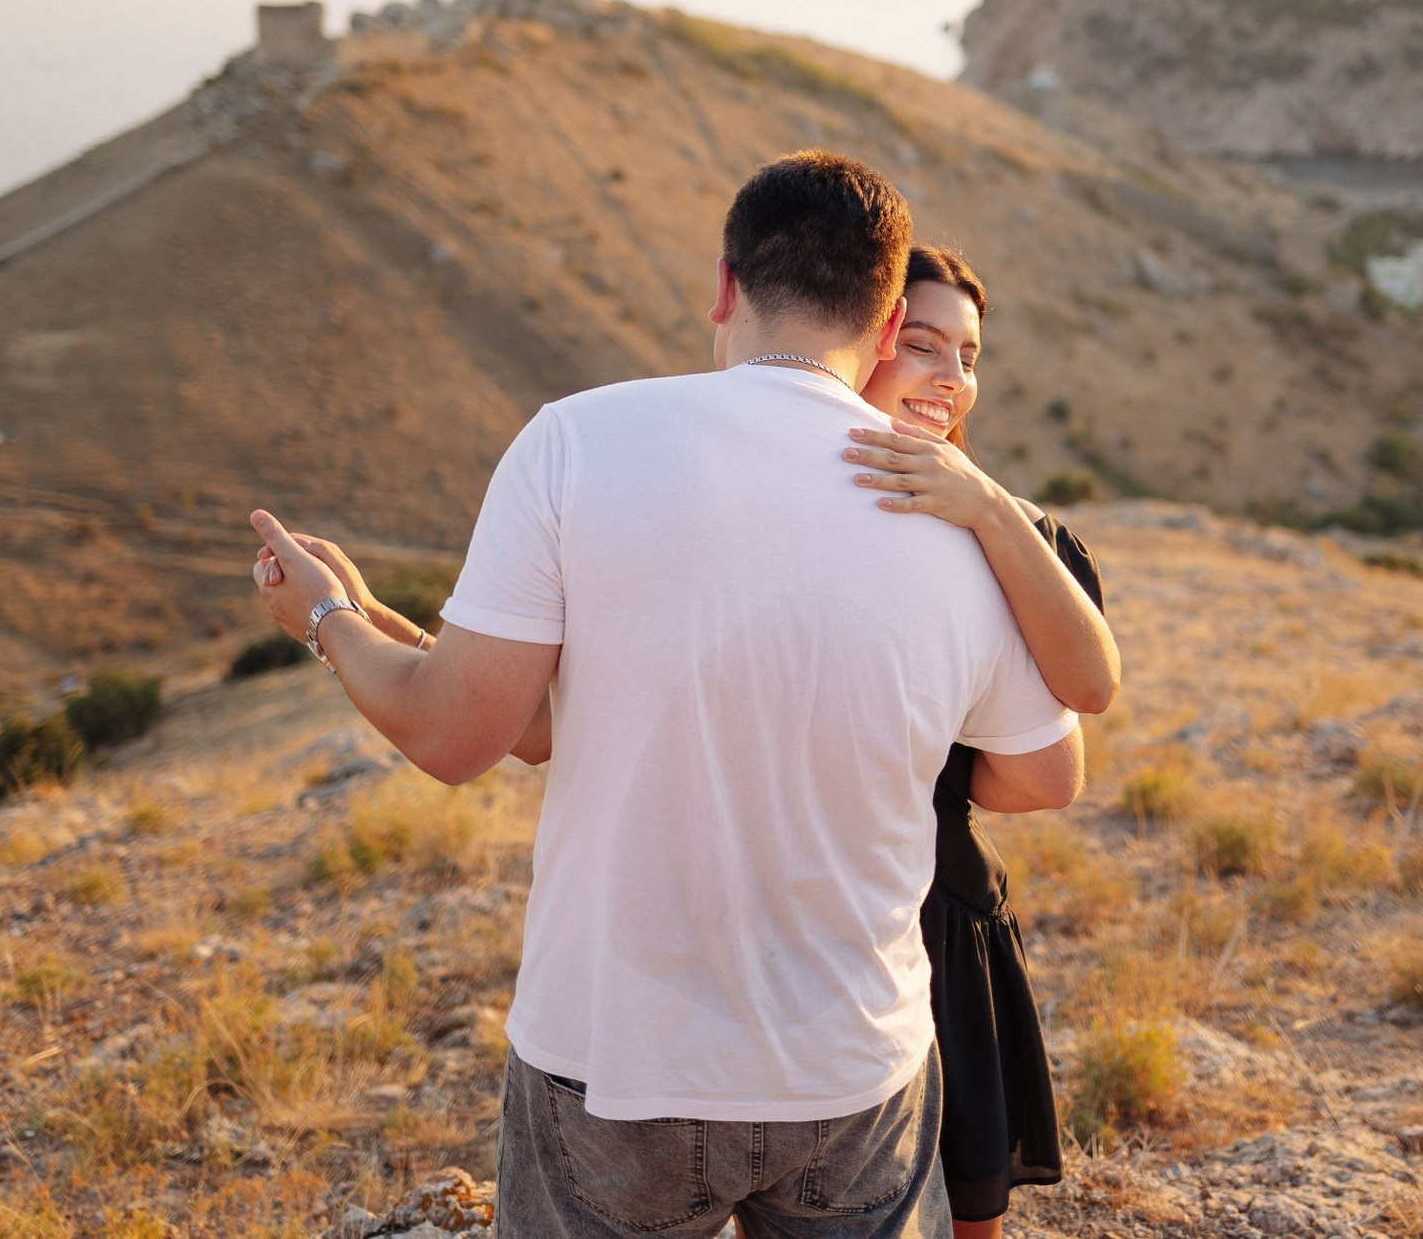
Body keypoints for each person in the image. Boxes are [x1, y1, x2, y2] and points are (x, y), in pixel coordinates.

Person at [247, 152, 1083, 1239]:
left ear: (725, 287)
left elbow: (458, 734)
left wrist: (327, 616)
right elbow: (1041, 773)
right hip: (854, 1065)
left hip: (612, 1063)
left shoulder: (574, 442)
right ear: (887, 331)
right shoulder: (957, 517)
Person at [838, 245, 1115, 1239]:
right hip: (807, 911)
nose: (951, 378)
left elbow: (1078, 715)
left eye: (967, 355)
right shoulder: (781, 510)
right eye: (922, 345)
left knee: (962, 1218)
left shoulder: (1012, 533)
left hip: (938, 915)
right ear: (859, 342)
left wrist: (987, 507)